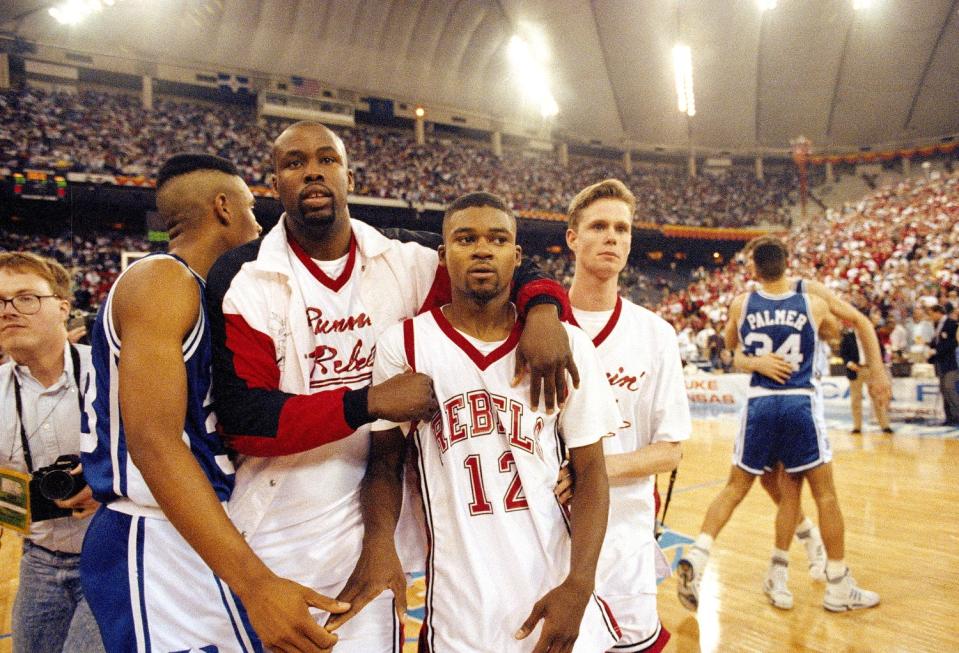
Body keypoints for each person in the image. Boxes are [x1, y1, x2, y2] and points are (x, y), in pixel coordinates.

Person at [205, 122, 577, 651]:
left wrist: (543, 307)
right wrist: (366, 403)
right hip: (280, 526)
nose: (312, 170)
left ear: (348, 176)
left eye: (326, 159)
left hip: (380, 525)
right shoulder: (244, 275)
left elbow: (497, 260)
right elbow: (245, 422)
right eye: (294, 162)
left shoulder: (408, 259)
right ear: (275, 183)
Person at [80, 154, 349, 653]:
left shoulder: (212, 294)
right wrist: (257, 584)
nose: (259, 222)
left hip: (202, 532)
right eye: (252, 208)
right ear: (224, 208)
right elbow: (154, 443)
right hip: (154, 536)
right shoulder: (163, 279)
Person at [369, 192, 621, 652]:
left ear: (517, 256)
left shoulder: (566, 346)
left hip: (555, 589)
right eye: (466, 239)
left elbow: (592, 476)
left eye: (498, 239)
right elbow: (383, 466)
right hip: (457, 609)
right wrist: (378, 543)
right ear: (443, 256)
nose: (482, 249)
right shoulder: (402, 344)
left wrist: (580, 584)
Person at [678, 236, 879, 613]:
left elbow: (726, 351)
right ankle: (834, 581)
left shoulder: (741, 303)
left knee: (736, 488)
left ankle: (703, 555)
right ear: (789, 262)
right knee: (815, 493)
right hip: (799, 402)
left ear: (752, 268)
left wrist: (753, 361)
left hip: (758, 405)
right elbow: (839, 331)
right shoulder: (813, 302)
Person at [562, 179, 689, 653]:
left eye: (622, 228)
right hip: (543, 534)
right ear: (573, 237)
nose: (612, 237)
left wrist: (591, 471)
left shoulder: (655, 334)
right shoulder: (539, 324)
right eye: (598, 226)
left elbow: (670, 449)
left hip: (624, 537)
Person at [0, 253, 104, 653]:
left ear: (63, 307)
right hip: (39, 559)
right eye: (0, 301)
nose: (9, 311)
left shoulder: (111, 372)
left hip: (111, 554)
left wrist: (108, 484)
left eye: (25, 297)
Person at [840, 324, 893, 434]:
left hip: (870, 369)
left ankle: (885, 425)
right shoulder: (848, 336)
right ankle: (857, 426)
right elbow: (843, 353)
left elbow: (881, 350)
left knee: (877, 397)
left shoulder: (871, 336)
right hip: (855, 370)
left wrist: (877, 365)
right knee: (856, 399)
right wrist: (849, 363)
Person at [927, 304, 959, 425]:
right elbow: (936, 341)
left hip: (951, 362)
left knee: (949, 387)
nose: (931, 317)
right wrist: (930, 349)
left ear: (938, 312)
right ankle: (949, 417)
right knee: (943, 390)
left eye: (931, 314)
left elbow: (953, 342)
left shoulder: (951, 323)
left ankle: (957, 415)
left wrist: (937, 350)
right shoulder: (937, 325)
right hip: (940, 362)